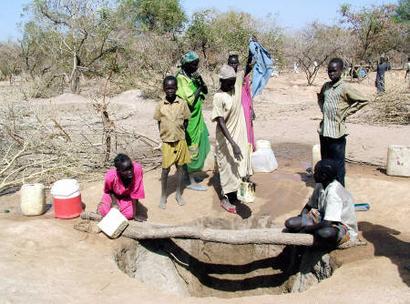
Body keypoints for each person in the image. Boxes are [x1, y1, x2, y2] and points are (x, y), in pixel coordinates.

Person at [317, 58, 368, 186]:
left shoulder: (345, 87)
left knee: (338, 166)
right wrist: (324, 109)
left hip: (337, 134)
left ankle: (340, 191)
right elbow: (321, 98)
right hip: (324, 133)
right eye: (329, 71)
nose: (331, 73)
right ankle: (327, 189)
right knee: (325, 164)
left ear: (341, 71)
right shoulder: (326, 86)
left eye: (334, 71)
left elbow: (363, 100)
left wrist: (346, 112)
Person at [285, 159, 358, 248]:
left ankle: (343, 237)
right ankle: (314, 231)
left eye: (316, 172)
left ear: (323, 176)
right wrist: (301, 218)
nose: (314, 174)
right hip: (321, 218)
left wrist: (307, 228)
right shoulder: (320, 184)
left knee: (324, 233)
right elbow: (309, 206)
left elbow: (327, 223)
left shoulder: (333, 193)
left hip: (339, 225)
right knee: (291, 223)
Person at [212, 65, 253, 214]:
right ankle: (225, 198)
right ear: (222, 81)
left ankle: (234, 195)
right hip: (226, 138)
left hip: (238, 135)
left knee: (238, 166)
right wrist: (233, 143)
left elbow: (247, 69)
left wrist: (252, 51)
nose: (232, 85)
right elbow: (220, 121)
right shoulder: (219, 97)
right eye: (229, 82)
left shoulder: (234, 86)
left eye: (234, 81)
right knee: (227, 168)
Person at [154, 76, 191, 209]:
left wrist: (179, 132)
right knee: (165, 169)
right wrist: (165, 135)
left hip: (180, 140)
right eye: (168, 88)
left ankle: (178, 194)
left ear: (176, 88)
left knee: (180, 168)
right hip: (167, 142)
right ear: (164, 89)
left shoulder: (182, 104)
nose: (170, 90)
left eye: (173, 87)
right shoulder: (159, 105)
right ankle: (163, 195)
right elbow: (159, 122)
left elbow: (186, 120)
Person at [176, 51, 210, 191]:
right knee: (191, 148)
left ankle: (188, 176)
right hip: (188, 119)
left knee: (201, 143)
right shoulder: (181, 79)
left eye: (197, 64)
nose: (196, 66)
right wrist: (199, 89)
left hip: (197, 117)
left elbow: (206, 91)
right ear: (186, 64)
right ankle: (189, 181)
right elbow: (189, 100)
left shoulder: (192, 76)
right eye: (193, 64)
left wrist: (200, 81)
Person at [97, 153, 145, 221]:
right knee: (104, 212)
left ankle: (124, 208)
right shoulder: (110, 176)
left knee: (130, 214)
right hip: (113, 195)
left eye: (130, 167)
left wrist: (135, 213)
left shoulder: (137, 169)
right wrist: (114, 202)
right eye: (126, 170)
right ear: (119, 171)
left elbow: (136, 191)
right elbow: (109, 190)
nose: (130, 171)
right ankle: (102, 207)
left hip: (127, 196)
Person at [227, 52, 255, 150]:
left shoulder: (242, 75)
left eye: (235, 63)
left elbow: (248, 93)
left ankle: (247, 148)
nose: (233, 65)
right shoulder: (226, 77)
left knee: (247, 127)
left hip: (245, 105)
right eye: (231, 63)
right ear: (228, 64)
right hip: (233, 106)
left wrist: (252, 109)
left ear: (238, 64)